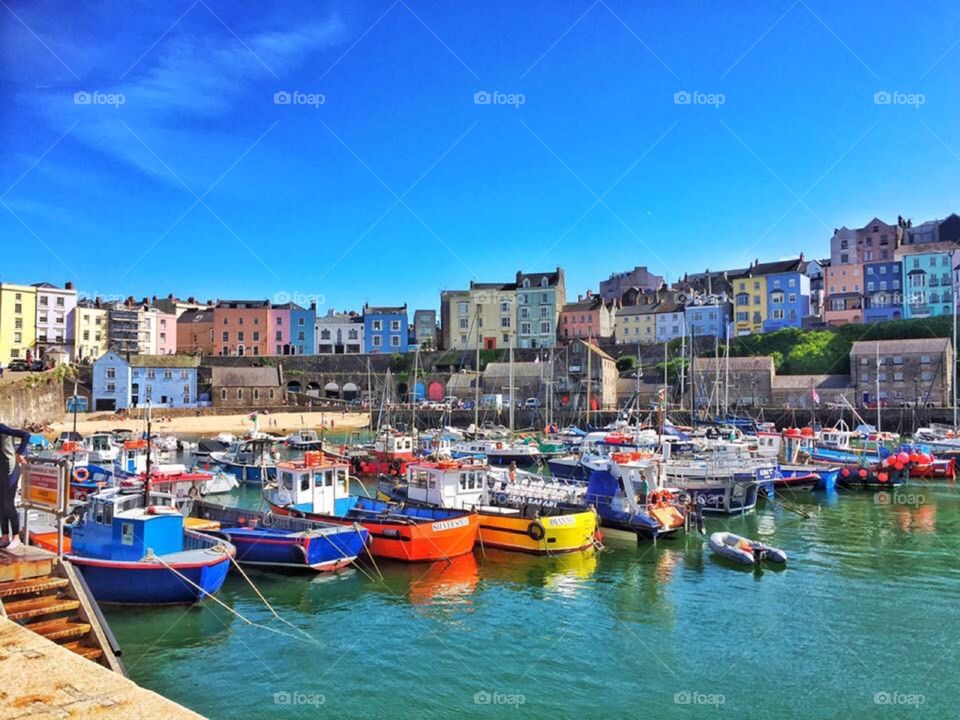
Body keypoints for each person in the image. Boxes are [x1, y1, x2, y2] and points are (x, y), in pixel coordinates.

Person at [0, 417, 31, 550]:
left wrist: (19, 453)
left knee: (8, 504)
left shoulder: (2, 428)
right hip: (1, 470)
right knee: (1, 505)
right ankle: (5, 536)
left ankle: (16, 537)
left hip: (10, 470)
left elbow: (26, 434)